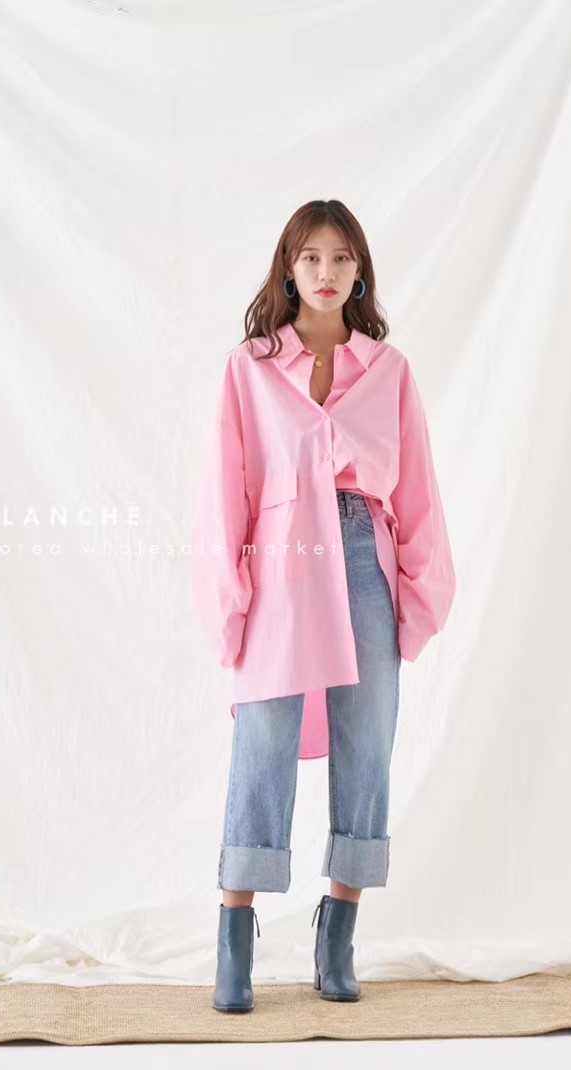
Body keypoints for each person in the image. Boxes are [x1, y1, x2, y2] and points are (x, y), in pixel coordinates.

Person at [189, 199, 456, 1012]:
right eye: (311, 257)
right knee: (262, 735)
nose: (326, 272)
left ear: (359, 270)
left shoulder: (389, 371)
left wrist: (419, 598)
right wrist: (230, 599)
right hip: (282, 560)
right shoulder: (250, 368)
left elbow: (417, 491)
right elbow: (225, 493)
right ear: (289, 268)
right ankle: (234, 938)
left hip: (363, 556)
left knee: (366, 740)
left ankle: (338, 936)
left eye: (341, 258)